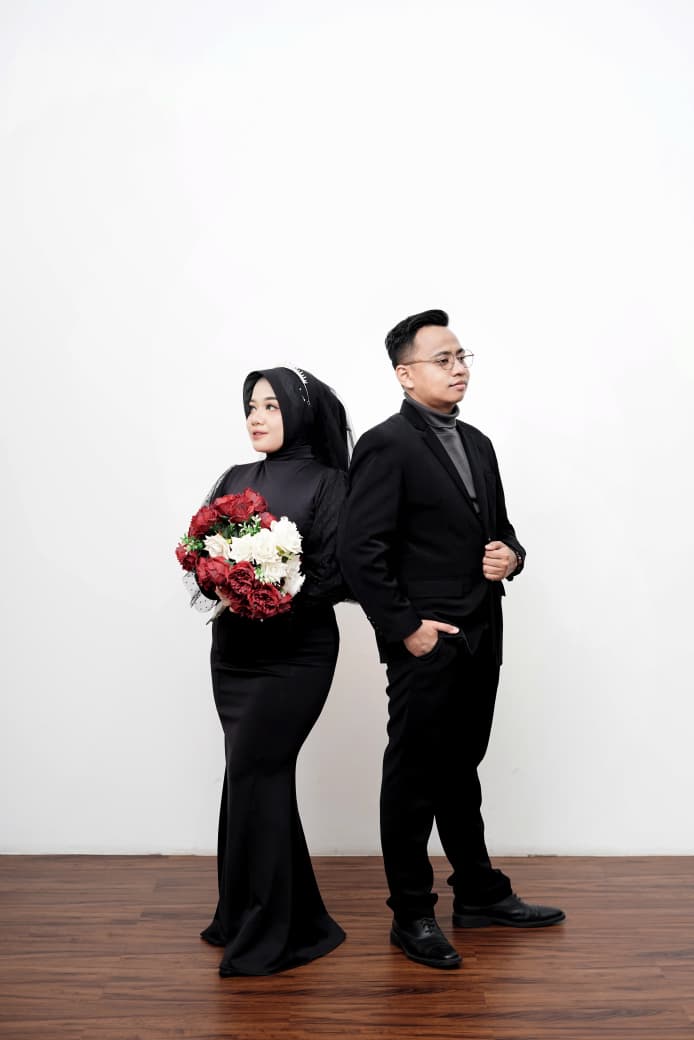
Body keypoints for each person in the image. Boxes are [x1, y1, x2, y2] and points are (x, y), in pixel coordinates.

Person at [338, 310, 564, 971]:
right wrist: (407, 629)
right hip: (428, 643)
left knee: (461, 769)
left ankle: (480, 895)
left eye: (462, 355)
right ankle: (411, 914)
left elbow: (502, 530)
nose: (459, 367)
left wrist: (511, 557)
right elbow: (359, 551)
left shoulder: (479, 443)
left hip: (483, 634)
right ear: (405, 375)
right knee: (413, 779)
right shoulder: (385, 445)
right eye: (443, 359)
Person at [188, 366, 351, 976]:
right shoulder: (234, 478)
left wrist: (270, 586)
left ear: (300, 412)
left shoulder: (331, 484)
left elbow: (337, 574)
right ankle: (261, 917)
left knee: (259, 771)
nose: (256, 418)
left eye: (271, 407)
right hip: (234, 652)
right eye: (251, 407)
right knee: (247, 775)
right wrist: (223, 578)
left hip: (296, 655)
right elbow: (199, 551)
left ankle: (271, 933)